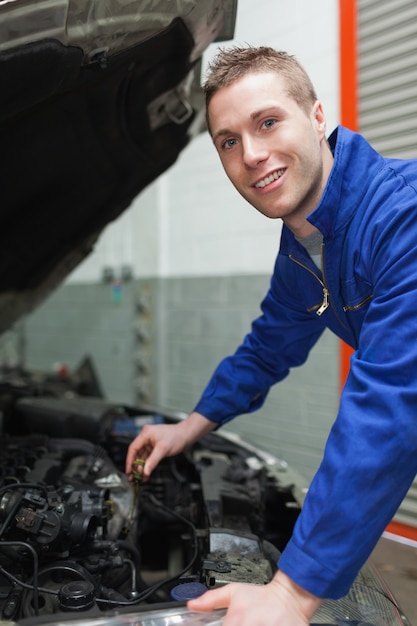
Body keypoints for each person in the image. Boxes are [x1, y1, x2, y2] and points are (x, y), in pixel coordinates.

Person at [125, 45, 417, 625]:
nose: (252, 155)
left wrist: (291, 593)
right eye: (229, 141)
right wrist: (191, 426)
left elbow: (389, 406)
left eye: (267, 122)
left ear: (316, 117)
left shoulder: (401, 218)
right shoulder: (302, 253)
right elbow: (266, 349)